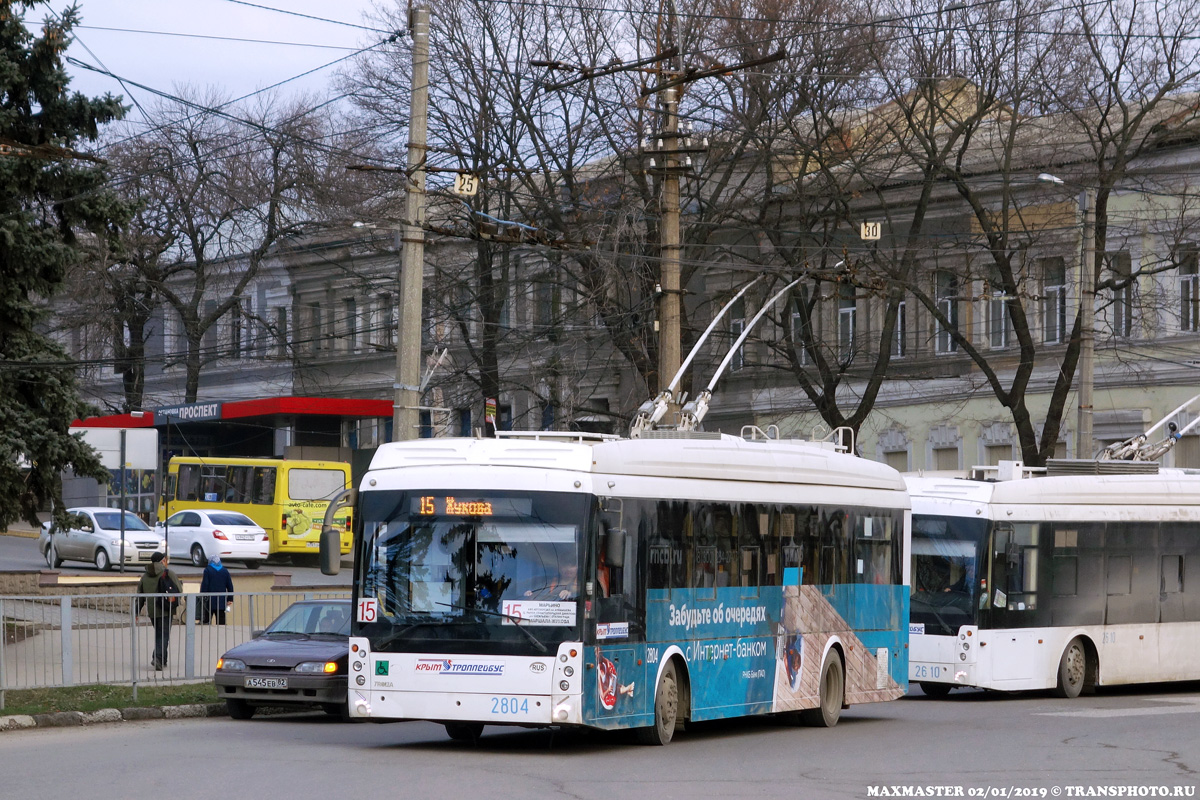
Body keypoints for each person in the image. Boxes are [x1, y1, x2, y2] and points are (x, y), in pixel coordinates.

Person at [137, 552, 182, 670]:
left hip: (152, 611)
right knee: (164, 635)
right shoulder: (168, 573)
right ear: (162, 561)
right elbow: (179, 589)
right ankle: (157, 658)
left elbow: (139, 596)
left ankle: (162, 659)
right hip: (166, 609)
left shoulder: (145, 576)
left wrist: (136, 612)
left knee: (159, 634)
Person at [199, 555, 234, 624]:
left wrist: (202, 595)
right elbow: (230, 585)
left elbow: (205, 584)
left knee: (206, 621)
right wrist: (230, 598)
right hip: (221, 601)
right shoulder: (224, 571)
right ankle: (222, 634)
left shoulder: (208, 570)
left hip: (209, 600)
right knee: (221, 621)